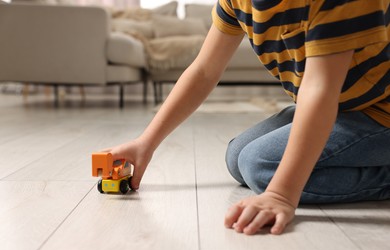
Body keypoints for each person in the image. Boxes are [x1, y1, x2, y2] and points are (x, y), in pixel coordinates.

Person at [104, 0, 390, 235]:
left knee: (260, 165)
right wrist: (147, 142)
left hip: (380, 111)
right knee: (238, 155)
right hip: (347, 106)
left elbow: (320, 88)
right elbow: (204, 71)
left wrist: (281, 195)